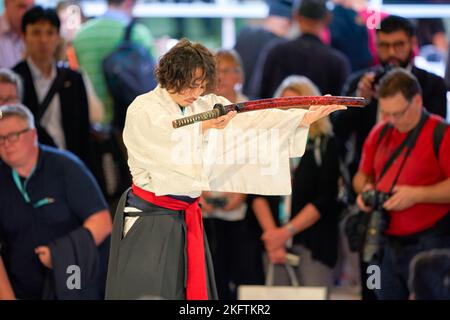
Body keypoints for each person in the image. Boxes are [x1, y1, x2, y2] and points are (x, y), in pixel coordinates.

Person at [105, 38, 347, 300]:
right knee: (150, 292)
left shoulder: (202, 105)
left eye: (201, 84)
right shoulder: (144, 108)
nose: (196, 91)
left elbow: (249, 123)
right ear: (171, 75)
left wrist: (302, 117)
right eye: (191, 83)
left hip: (186, 215)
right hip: (151, 215)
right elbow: (164, 140)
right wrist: (206, 126)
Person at [353, 68, 450, 300]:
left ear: (417, 101)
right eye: (386, 113)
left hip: (430, 243)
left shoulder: (441, 134)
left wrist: (417, 195)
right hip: (385, 241)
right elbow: (361, 176)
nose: (392, 121)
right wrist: (365, 191)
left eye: (398, 113)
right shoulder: (380, 132)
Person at [0, 104, 113, 299]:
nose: (6, 144)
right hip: (25, 289)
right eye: (0, 139)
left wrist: (60, 255)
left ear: (33, 134)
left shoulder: (65, 166)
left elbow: (102, 223)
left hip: (76, 280)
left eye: (13, 135)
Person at [333, 15, 448, 177]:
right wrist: (360, 99)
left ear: (413, 43)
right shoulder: (360, 82)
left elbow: (436, 133)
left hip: (418, 175)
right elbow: (338, 130)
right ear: (375, 46)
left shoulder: (432, 84)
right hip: (366, 177)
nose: (392, 52)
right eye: (384, 46)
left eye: (398, 45)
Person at [257, 75, 340, 291]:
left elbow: (326, 198)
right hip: (271, 240)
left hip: (312, 242)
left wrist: (285, 233)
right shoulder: (269, 142)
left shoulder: (325, 144)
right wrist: (273, 237)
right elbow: (256, 192)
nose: (289, 111)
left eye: (296, 104)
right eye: (284, 105)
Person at [13, 6, 95, 172]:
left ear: (58, 37)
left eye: (50, 33)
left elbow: (83, 133)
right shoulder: (15, 79)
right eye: (36, 32)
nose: (43, 40)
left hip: (71, 166)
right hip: (29, 168)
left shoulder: (73, 79)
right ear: (24, 36)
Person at [73, 0, 156, 125]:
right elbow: (157, 80)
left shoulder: (81, 35)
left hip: (91, 123)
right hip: (127, 123)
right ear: (129, 2)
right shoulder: (138, 34)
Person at [251, 0, 350, 99]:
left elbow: (258, 96)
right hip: (320, 115)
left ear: (296, 15)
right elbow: (341, 108)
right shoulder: (337, 62)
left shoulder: (276, 51)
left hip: (279, 114)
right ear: (328, 18)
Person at [234, 0, 293, 98]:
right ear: (290, 23)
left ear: (268, 18)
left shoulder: (245, 34)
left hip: (241, 103)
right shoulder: (285, 48)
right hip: (268, 106)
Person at [0, 0, 35, 68]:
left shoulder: (37, 35)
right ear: (6, 3)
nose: (28, 13)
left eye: (31, 7)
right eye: (22, 7)